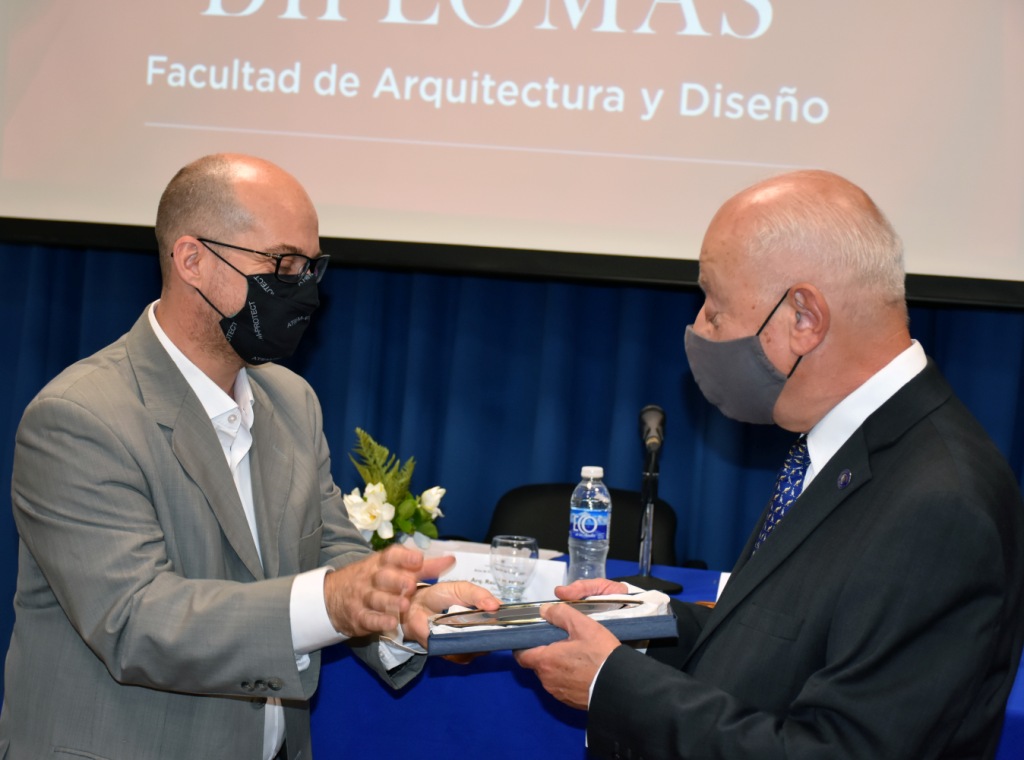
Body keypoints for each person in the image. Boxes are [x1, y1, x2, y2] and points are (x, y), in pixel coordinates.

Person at [0, 153, 499, 760]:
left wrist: (404, 611)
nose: (304, 287)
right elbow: (137, 620)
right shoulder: (80, 417)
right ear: (193, 261)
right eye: (281, 263)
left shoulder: (290, 399)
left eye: (312, 266)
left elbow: (331, 552)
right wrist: (333, 601)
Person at [515, 170, 1024, 759]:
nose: (701, 325)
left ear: (803, 318)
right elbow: (780, 645)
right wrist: (642, 619)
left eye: (715, 303)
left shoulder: (939, 504)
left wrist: (613, 685)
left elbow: (839, 751)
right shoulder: (845, 444)